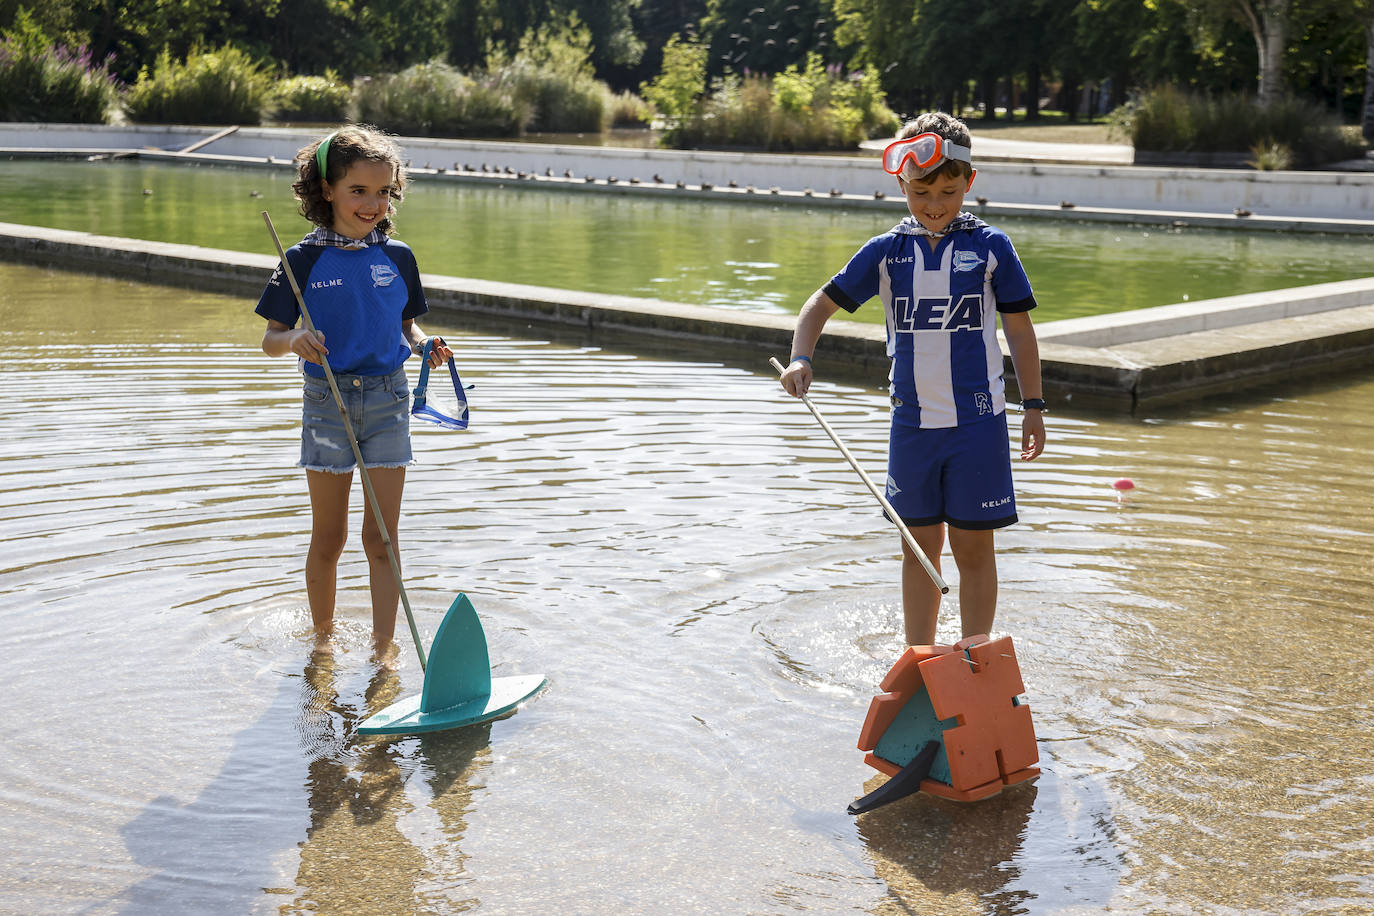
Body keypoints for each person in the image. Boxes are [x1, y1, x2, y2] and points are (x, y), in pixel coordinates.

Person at [779, 112, 1046, 647]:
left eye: (948, 190)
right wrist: (800, 358)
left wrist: (1033, 405)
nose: (935, 204)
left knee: (974, 549)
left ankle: (975, 658)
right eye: (921, 191)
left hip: (979, 426)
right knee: (919, 550)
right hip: (912, 429)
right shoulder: (885, 253)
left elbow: (1019, 329)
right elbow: (818, 306)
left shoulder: (993, 248)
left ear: (969, 182)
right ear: (902, 183)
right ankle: (919, 655)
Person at [255, 124, 453, 657]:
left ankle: (384, 650)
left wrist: (422, 344)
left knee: (381, 539)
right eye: (358, 191)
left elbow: (406, 328)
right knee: (331, 539)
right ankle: (322, 648)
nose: (372, 204)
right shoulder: (302, 260)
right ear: (327, 191)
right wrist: (294, 337)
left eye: (384, 191)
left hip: (389, 401)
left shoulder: (400, 257)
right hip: (328, 403)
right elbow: (270, 340)